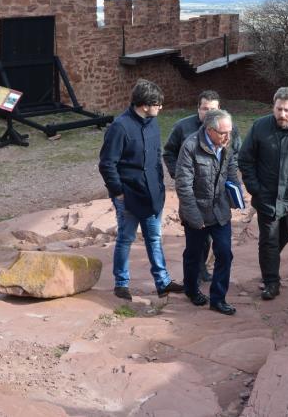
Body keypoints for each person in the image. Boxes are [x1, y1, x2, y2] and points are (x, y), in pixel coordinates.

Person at [98, 79, 183, 301]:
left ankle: (163, 282)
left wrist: (161, 186)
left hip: (152, 194)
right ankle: (121, 283)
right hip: (129, 195)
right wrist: (118, 192)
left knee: (154, 238)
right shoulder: (120, 127)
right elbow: (107, 163)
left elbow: (156, 157)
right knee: (125, 238)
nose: (161, 107)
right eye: (158, 103)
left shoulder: (152, 123)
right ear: (144, 104)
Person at [238, 87, 288, 300]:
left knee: (284, 235)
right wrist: (255, 188)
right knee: (269, 240)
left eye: (287, 110)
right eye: (278, 109)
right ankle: (271, 282)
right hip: (266, 197)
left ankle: (269, 263)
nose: (282, 114)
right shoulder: (260, 127)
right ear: (273, 107)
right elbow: (245, 159)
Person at [163, 90, 241, 283]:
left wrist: (232, 186)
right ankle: (195, 277)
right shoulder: (183, 128)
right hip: (194, 194)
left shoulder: (227, 129)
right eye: (205, 109)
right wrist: (179, 174)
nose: (208, 113)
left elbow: (234, 154)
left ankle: (209, 281)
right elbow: (169, 153)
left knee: (220, 247)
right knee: (197, 244)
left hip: (217, 199)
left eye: (213, 109)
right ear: (198, 108)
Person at [174, 109, 243, 315]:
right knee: (195, 254)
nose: (228, 137)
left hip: (220, 211)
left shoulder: (226, 144)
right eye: (223, 133)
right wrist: (194, 217)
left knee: (224, 254)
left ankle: (218, 299)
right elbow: (183, 186)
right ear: (209, 130)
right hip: (196, 212)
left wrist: (236, 194)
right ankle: (192, 289)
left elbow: (231, 172)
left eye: (230, 132)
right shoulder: (190, 146)